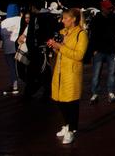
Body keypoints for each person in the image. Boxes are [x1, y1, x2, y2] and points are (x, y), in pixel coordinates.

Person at [49, 8, 89, 144]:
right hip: (60, 70)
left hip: (72, 72)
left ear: (74, 19)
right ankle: (66, 125)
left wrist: (60, 47)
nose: (63, 21)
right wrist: (54, 46)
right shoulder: (62, 32)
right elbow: (59, 51)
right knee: (59, 100)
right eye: (63, 18)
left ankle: (71, 129)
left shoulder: (81, 34)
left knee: (71, 102)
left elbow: (79, 55)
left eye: (66, 18)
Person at [88, 0, 115, 104]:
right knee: (96, 73)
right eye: (108, 8)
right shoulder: (96, 19)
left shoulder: (114, 17)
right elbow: (92, 35)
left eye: (111, 8)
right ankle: (95, 93)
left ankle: (110, 92)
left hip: (111, 49)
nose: (110, 9)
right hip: (99, 49)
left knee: (112, 72)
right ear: (103, 8)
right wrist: (93, 50)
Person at [0, 3, 22, 95]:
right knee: (21, 67)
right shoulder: (20, 19)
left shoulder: (3, 22)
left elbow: (0, 35)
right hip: (19, 47)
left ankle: (14, 85)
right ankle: (24, 84)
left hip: (7, 48)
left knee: (12, 68)